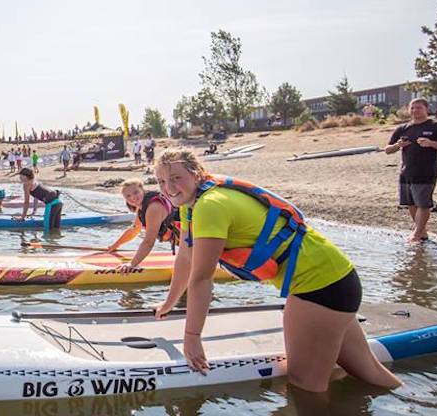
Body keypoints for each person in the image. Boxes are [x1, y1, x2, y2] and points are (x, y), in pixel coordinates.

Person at [152, 148, 401, 393]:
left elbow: (202, 277)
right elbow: (186, 256)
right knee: (369, 373)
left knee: (304, 387)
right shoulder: (190, 205)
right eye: (161, 181)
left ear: (196, 173)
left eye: (176, 178)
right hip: (337, 277)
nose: (168, 188)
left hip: (317, 286)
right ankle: (411, 400)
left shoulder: (210, 205)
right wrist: (169, 302)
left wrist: (192, 336)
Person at [384, 97, 437, 242]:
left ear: (426, 109)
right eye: (412, 108)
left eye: (418, 108)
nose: (415, 110)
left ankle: (416, 234)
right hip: (406, 172)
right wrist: (398, 145)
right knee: (411, 204)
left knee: (423, 204)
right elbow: (387, 150)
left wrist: (432, 143)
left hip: (426, 171)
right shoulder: (403, 128)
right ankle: (422, 232)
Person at [106, 178, 180, 267]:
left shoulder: (153, 208)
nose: (133, 197)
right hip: (186, 244)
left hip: (194, 241)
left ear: (142, 190)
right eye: (128, 196)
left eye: (135, 192)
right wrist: (115, 245)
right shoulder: (141, 209)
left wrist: (132, 264)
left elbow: (149, 242)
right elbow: (135, 229)